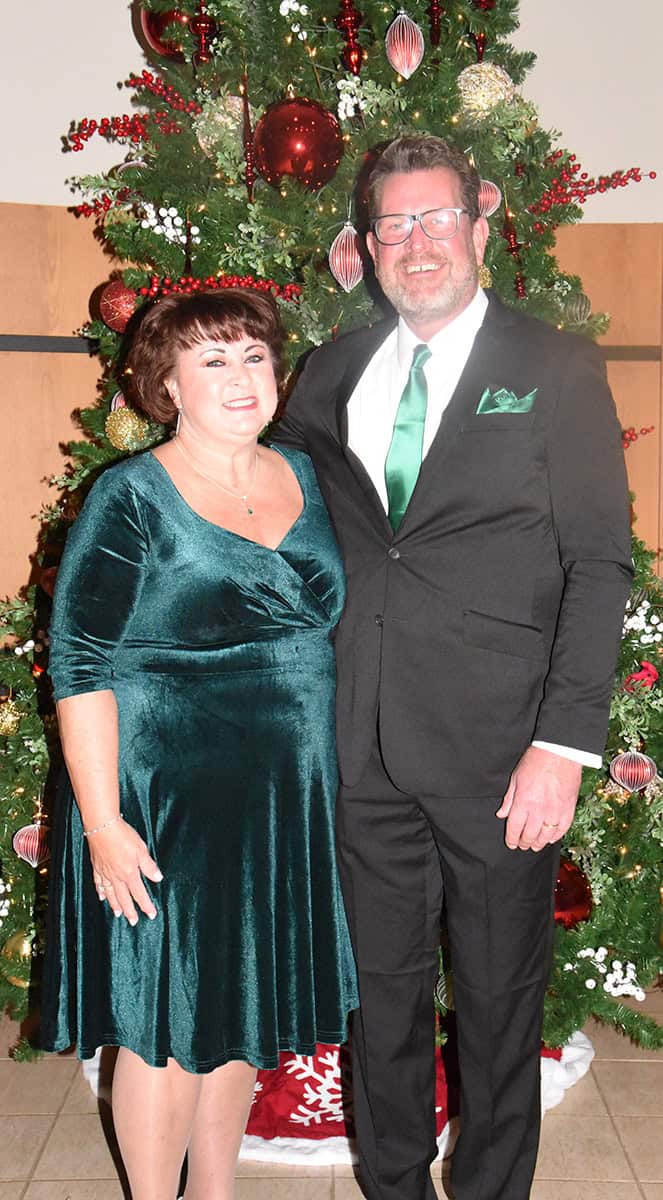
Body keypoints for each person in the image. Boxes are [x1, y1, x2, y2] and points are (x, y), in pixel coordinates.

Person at [273, 135, 633, 1200]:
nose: (417, 244)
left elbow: (597, 563)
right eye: (395, 225)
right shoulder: (328, 373)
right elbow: (283, 527)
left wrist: (563, 745)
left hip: (500, 755)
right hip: (358, 746)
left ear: (479, 228)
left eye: (437, 220)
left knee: (496, 999)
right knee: (377, 1001)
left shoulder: (553, 368)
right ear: (367, 245)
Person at [41, 287, 358, 1200]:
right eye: (211, 360)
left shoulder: (305, 472)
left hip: (283, 789)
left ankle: (214, 1192)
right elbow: (80, 660)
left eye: (253, 356)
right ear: (165, 382)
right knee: (163, 1017)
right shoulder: (130, 494)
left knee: (241, 1007)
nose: (238, 377)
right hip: (163, 790)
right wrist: (101, 823)